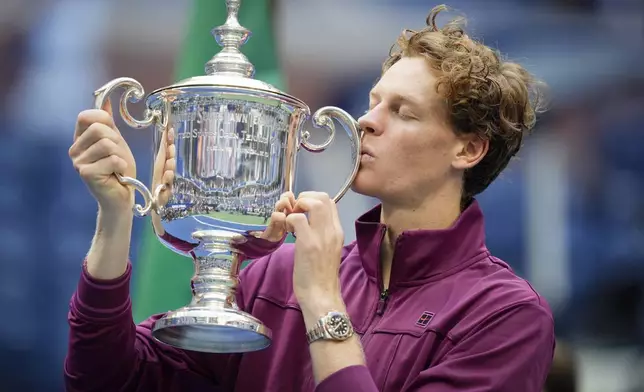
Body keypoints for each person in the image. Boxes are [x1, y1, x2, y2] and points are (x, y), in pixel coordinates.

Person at [65, 5, 554, 392]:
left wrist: (322, 299)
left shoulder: (504, 316)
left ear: (467, 149)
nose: (367, 122)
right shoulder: (273, 277)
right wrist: (115, 215)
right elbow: (105, 379)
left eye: (403, 112)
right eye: (373, 103)